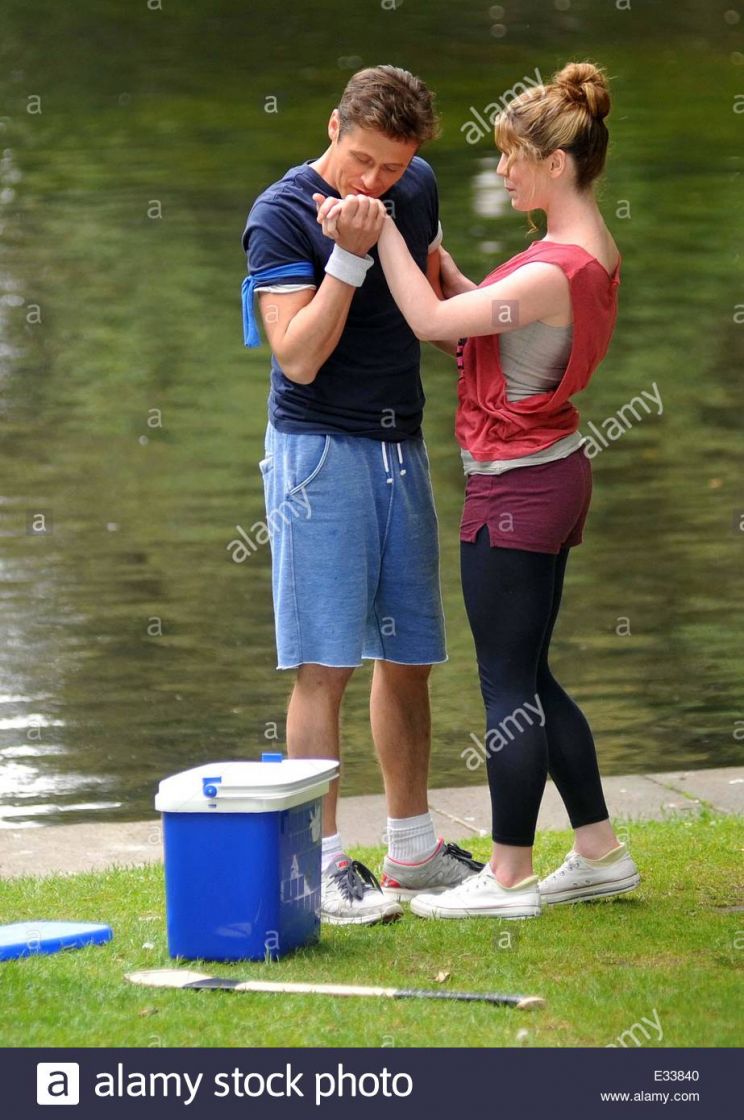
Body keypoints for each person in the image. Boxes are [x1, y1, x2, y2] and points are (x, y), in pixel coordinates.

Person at [316, 60, 640, 920]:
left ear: (556, 164)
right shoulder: (585, 251)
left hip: (517, 489)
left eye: (513, 158)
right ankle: (601, 851)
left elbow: (429, 324)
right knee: (534, 672)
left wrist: (376, 229)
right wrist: (458, 280)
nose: (503, 171)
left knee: (507, 686)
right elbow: (498, 335)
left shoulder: (547, 269)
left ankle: (505, 877)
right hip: (556, 471)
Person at [241, 65, 483, 927]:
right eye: (362, 159)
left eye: (393, 165)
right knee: (323, 664)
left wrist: (491, 322)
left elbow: (433, 271)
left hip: (400, 447)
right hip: (316, 453)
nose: (376, 182)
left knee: (409, 656)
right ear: (332, 124)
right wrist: (346, 251)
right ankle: (322, 864)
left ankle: (412, 851)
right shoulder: (280, 214)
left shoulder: (415, 184)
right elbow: (297, 356)